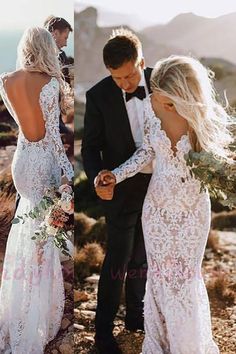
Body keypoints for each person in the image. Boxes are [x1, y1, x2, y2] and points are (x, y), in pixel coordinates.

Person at [96, 55, 234, 353]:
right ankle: (159, 343)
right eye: (160, 98)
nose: (162, 105)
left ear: (185, 95)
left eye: (170, 102)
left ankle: (187, 344)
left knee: (185, 278)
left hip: (192, 210)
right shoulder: (149, 106)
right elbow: (146, 153)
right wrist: (115, 175)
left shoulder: (200, 118)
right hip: (156, 208)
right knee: (158, 277)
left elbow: (217, 164)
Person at [0, 27, 74, 353]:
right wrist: (68, 178)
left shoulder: (6, 81)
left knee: (26, 225)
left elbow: (19, 122)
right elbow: (55, 141)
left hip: (20, 163)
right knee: (43, 239)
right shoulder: (52, 84)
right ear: (47, 48)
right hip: (43, 163)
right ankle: (34, 313)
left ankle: (17, 305)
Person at [81, 29, 152, 354]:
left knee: (145, 255)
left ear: (141, 61)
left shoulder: (162, 80)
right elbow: (91, 148)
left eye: (129, 75)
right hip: (119, 188)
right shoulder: (98, 96)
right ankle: (103, 333)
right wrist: (97, 179)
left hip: (160, 185)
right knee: (118, 260)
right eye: (116, 78)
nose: (123, 84)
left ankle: (137, 319)